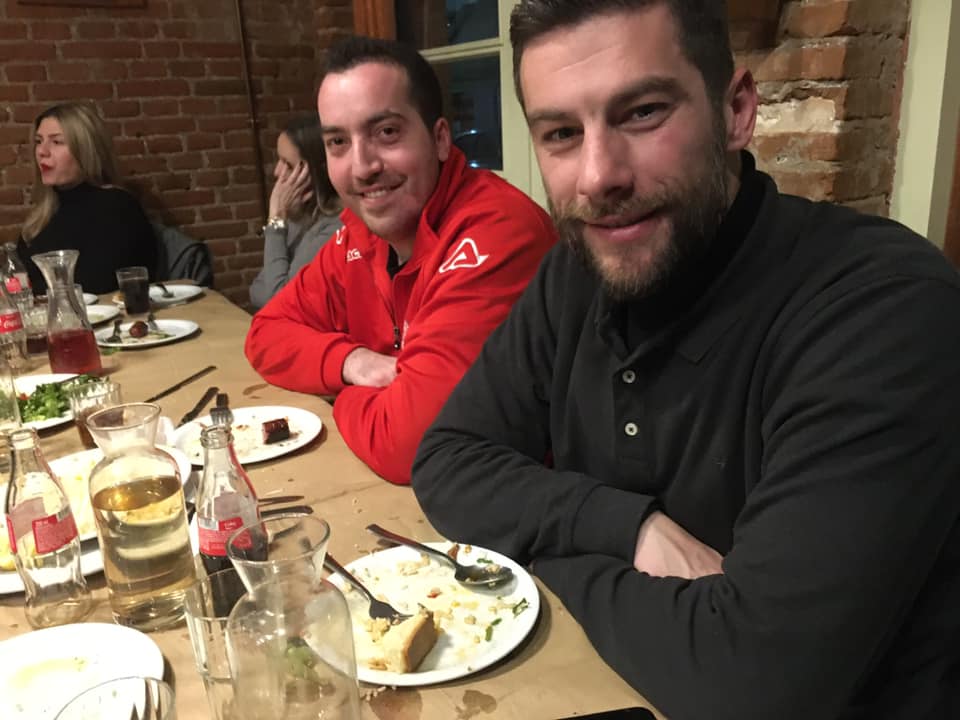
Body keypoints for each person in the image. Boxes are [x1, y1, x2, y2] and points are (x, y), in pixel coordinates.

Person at [412, 2, 960, 719]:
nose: (598, 177)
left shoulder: (883, 310)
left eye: (642, 112)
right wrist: (625, 528)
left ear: (736, 111)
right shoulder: (575, 273)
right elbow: (447, 459)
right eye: (561, 133)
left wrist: (532, 554)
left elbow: (752, 684)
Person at [244, 36, 556, 485]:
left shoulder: (498, 231)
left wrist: (341, 395)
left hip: (511, 506)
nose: (362, 166)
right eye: (338, 141)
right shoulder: (356, 234)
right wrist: (352, 362)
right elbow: (266, 334)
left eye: (386, 132)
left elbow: (410, 446)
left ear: (440, 139)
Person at [17, 102, 157, 295]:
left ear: (85, 150)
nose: (42, 151)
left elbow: (96, 285)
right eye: (39, 141)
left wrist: (31, 291)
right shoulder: (42, 216)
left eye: (57, 142)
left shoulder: (116, 206)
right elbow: (18, 279)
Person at [249, 115, 343, 309]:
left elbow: (277, 300)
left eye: (288, 165)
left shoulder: (335, 227)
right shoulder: (302, 214)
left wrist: (276, 220)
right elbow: (257, 289)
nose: (277, 171)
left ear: (317, 172)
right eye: (279, 160)